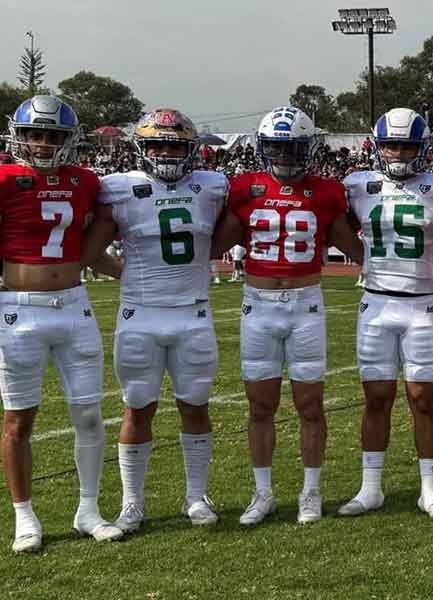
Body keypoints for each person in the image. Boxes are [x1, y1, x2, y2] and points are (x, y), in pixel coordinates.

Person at [78, 108, 228, 534]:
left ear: (191, 150)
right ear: (142, 148)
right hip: (140, 314)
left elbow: (229, 232)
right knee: (137, 407)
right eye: (158, 144)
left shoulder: (213, 186)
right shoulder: (120, 187)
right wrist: (125, 275)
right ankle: (132, 503)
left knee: (194, 406)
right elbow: (90, 252)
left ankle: (195, 496)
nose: (166, 153)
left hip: (192, 312)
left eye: (175, 146)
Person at [211, 106, 363, 526]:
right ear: (263, 148)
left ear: (307, 148)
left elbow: (354, 247)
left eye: (293, 147)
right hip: (257, 305)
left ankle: (310, 491)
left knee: (310, 405)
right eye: (276, 147)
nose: (284, 155)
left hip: (305, 305)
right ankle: (263, 493)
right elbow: (212, 245)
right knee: (260, 405)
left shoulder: (327, 192)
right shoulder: (243, 188)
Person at [0, 95, 124, 551]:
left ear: (68, 140)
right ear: (19, 136)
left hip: (74, 304)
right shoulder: (4, 178)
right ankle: (24, 517)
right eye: (35, 134)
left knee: (89, 413)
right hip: (18, 308)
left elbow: (95, 244)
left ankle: (88, 510)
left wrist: (135, 276)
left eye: (52, 135)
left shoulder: (85, 181)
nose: (42, 143)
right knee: (18, 420)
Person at [338, 108, 433, 520]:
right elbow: (336, 225)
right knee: (376, 398)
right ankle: (370, 488)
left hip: (422, 303)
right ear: (378, 146)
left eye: (407, 145)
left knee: (423, 398)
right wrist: (363, 257)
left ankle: (429, 490)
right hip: (376, 302)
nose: (398, 153)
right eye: (392, 145)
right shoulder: (358, 185)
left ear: (422, 147)